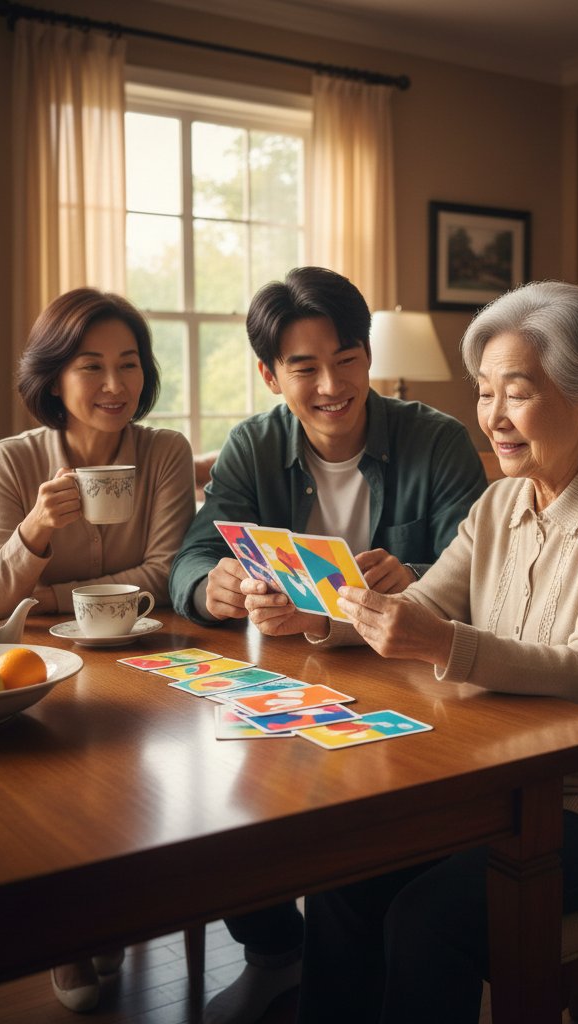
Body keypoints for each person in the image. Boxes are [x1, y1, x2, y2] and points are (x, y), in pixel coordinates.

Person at [267, 280, 578, 1024]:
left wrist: (441, 643)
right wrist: (318, 613)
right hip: (500, 787)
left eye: (516, 393)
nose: (492, 417)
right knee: (342, 879)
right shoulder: (499, 502)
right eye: (484, 391)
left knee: (426, 919)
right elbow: (423, 610)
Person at [168, 266, 486, 1024]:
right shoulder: (251, 445)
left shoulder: (436, 441)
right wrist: (212, 588)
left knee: (373, 856)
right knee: (225, 801)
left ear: (368, 357)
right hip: (295, 686)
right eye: (304, 367)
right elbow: (191, 557)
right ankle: (278, 953)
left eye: (346, 359)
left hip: (421, 701)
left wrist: (411, 577)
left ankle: (361, 972)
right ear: (269, 373)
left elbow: (481, 578)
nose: (330, 385)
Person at [0, 287, 196, 1013]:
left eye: (129, 365)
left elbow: (164, 571)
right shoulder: (13, 460)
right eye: (91, 366)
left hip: (143, 655)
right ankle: (73, 931)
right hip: (41, 665)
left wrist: (59, 594)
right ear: (54, 377)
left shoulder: (165, 451)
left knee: (143, 779)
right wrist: (35, 532)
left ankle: (116, 915)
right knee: (60, 782)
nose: (114, 385)